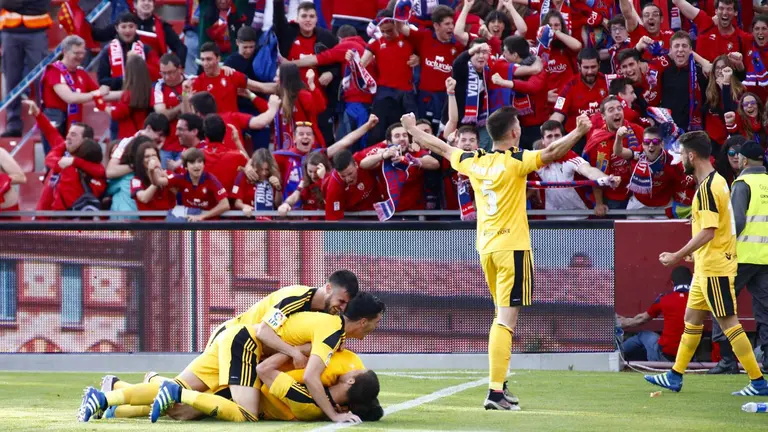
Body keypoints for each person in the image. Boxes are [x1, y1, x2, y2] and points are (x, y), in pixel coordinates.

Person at [400, 107, 593, 410]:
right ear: (514, 133)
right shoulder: (516, 161)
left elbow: (440, 146)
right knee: (505, 320)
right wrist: (580, 131)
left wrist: (413, 130)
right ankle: (495, 393)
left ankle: (500, 384)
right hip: (512, 248)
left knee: (499, 317)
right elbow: (554, 150)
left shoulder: (473, 160)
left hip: (487, 248)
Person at [645, 131, 768, 396]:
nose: (679, 160)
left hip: (715, 268)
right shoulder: (717, 182)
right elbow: (716, 229)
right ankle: (676, 375)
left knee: (728, 323)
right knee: (692, 319)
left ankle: (758, 382)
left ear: (692, 155)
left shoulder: (710, 186)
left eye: (681, 154)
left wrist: (677, 255)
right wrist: (693, 253)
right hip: (706, 266)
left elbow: (709, 230)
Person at [149, 292, 384, 424]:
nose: (377, 326)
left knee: (183, 411)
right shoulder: (328, 326)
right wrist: (333, 415)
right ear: (363, 321)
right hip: (243, 343)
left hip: (243, 343)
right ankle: (169, 388)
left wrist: (299, 350)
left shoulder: (331, 329)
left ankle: (127, 389)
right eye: (377, 321)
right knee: (245, 413)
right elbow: (309, 376)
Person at [709, 141, 768, 374]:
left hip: (741, 256)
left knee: (721, 300)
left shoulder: (743, 182)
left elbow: (738, 222)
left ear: (744, 160)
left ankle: (727, 361)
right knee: (765, 308)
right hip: (764, 258)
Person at [0, 0, 52, 138]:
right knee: (11, 79)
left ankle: (45, 122)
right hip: (9, 32)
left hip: (37, 31)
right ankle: (13, 124)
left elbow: (41, 4)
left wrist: (16, 4)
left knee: (41, 80)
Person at [619, 266, 691, 362]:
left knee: (644, 335)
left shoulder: (664, 300)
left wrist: (620, 323)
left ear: (672, 282)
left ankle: (618, 354)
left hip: (665, 356)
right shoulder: (698, 301)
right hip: (688, 357)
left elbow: (642, 319)